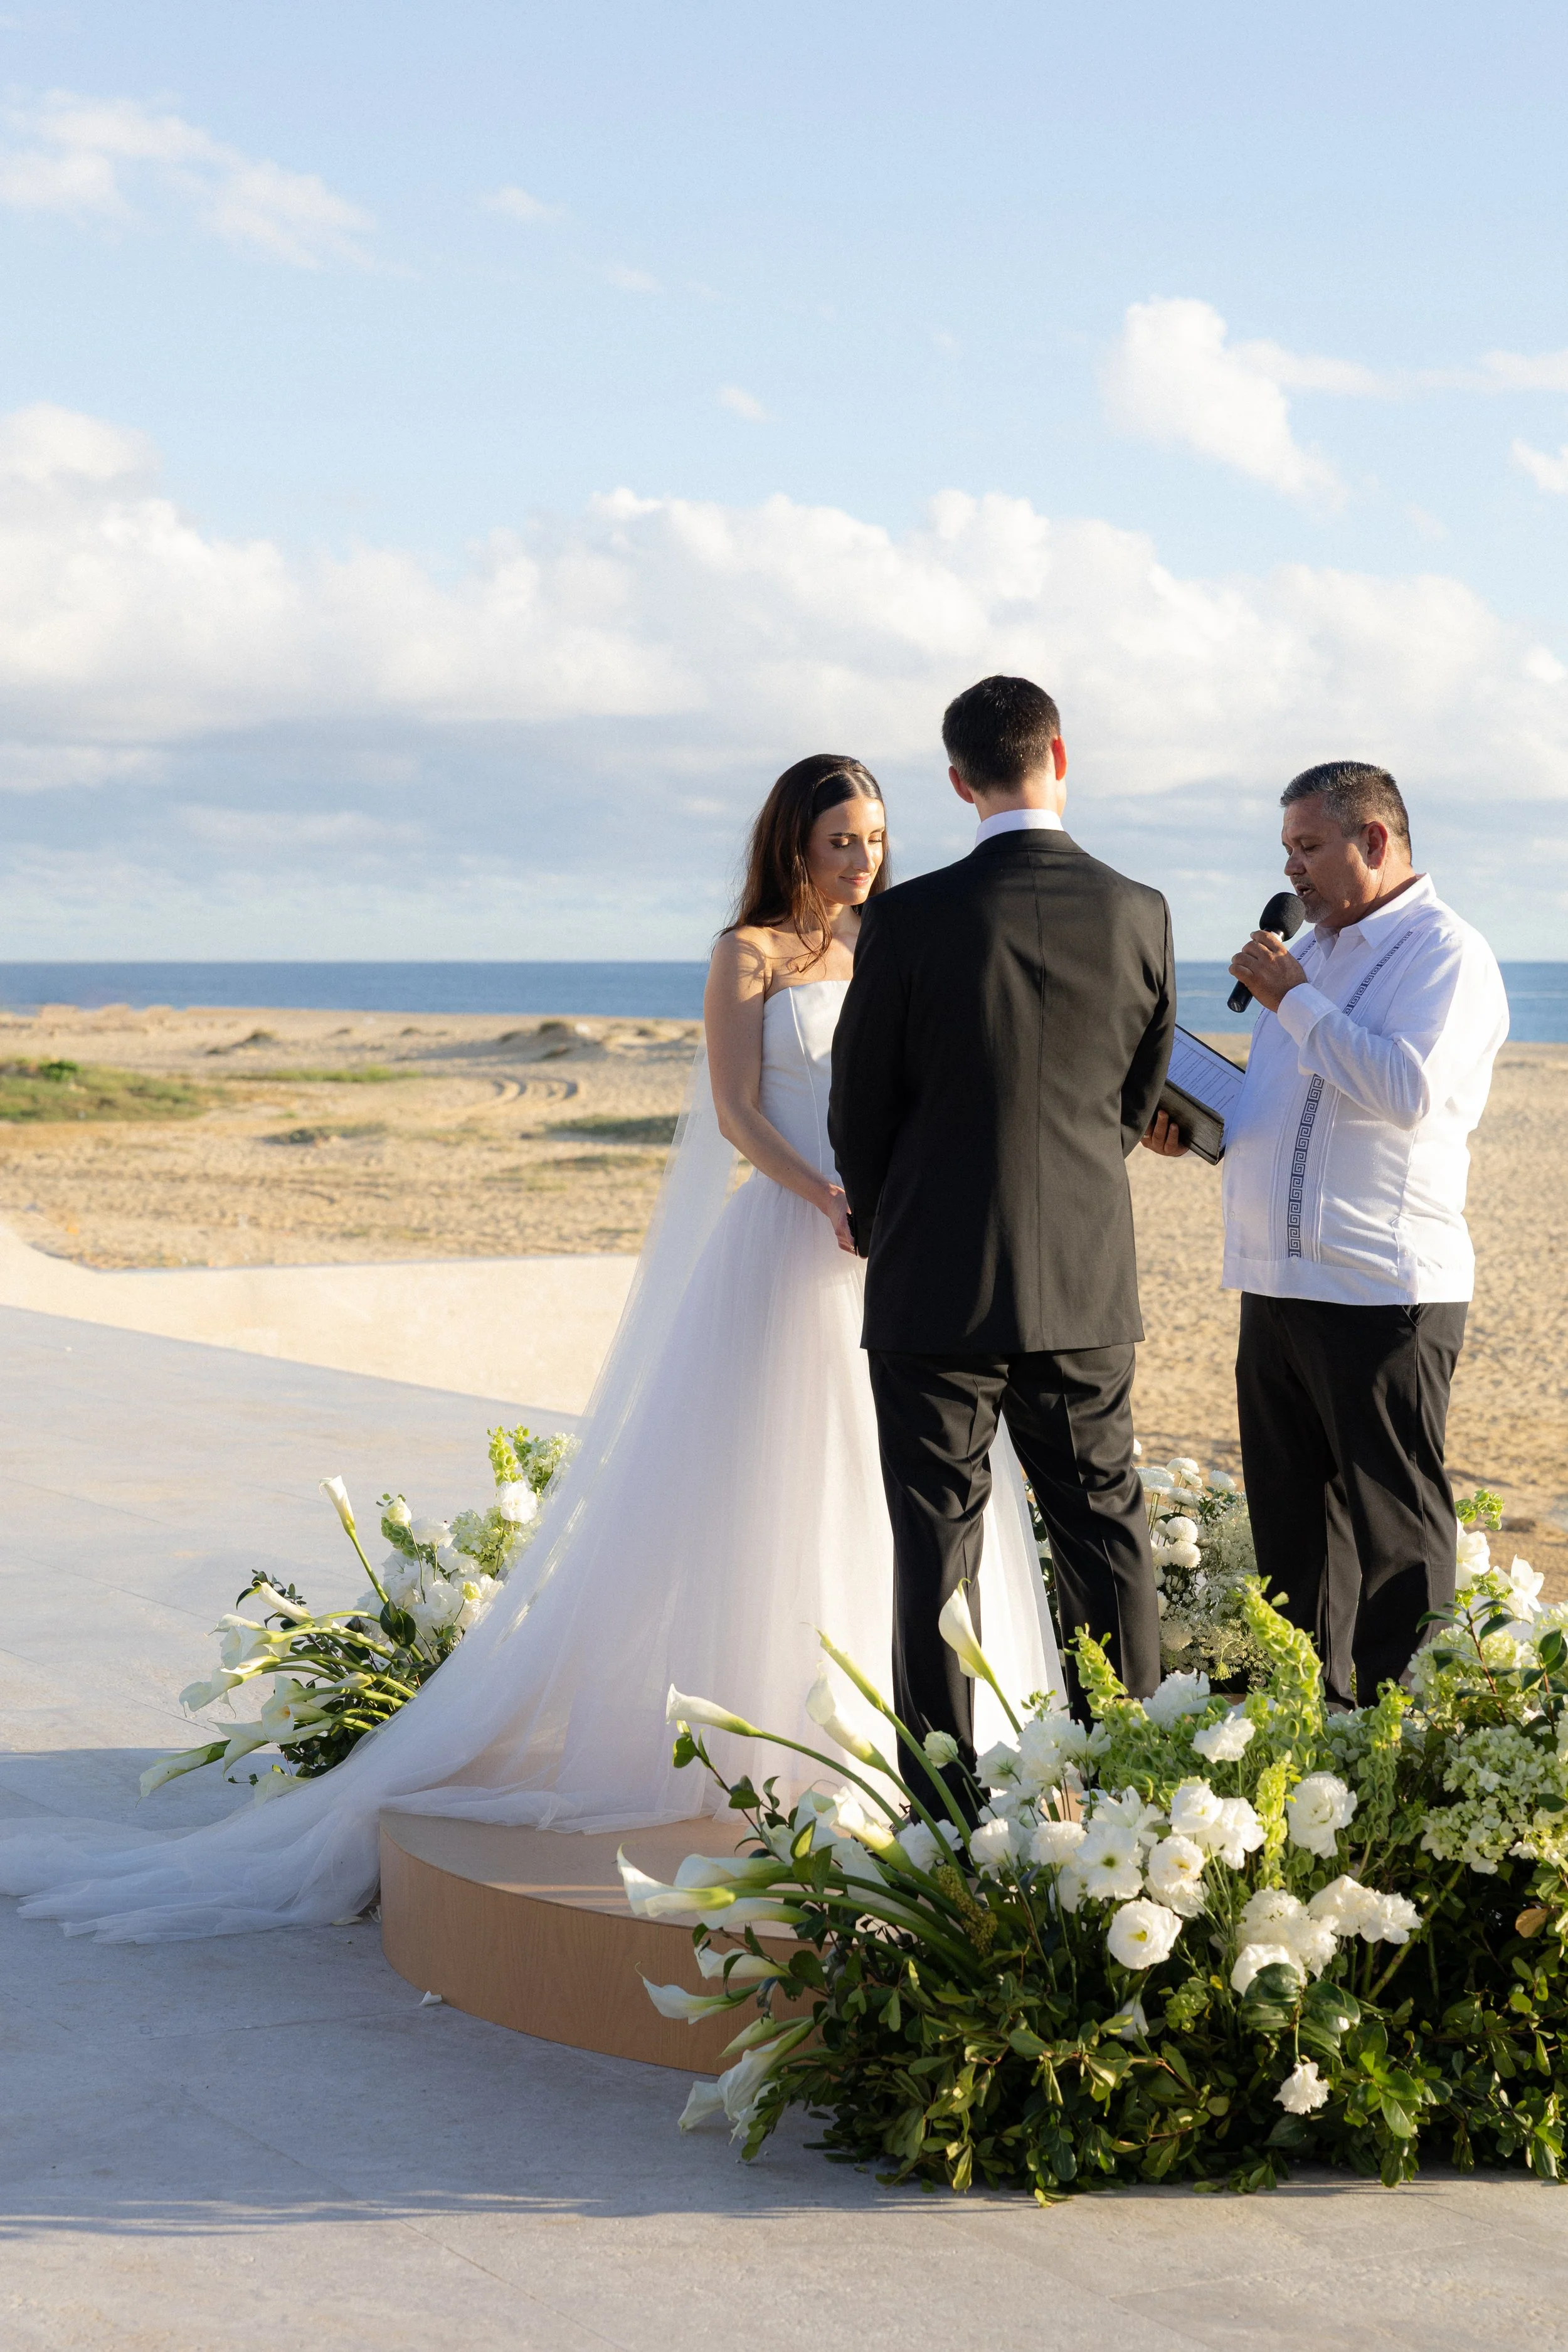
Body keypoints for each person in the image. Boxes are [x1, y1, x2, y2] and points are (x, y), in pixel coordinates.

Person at [3, 755, 1061, 1941]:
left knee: (892, 1486)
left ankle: (882, 1728)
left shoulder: (895, 939)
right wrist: (823, 1194)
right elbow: (736, 1112)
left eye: (873, 837)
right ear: (793, 847)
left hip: (895, 1245)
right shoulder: (748, 953)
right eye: (839, 842)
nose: (862, 859)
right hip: (792, 1234)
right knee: (775, 1481)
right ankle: (768, 1726)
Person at [829, 675, 1175, 1776]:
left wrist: (896, 1221)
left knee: (938, 1542)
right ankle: (1127, 1776)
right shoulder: (1141, 911)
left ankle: (944, 1807)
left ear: (956, 780)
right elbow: (1133, 1098)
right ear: (1059, 758)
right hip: (1081, 1276)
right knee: (1103, 1525)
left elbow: (858, 1108)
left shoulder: (907, 917)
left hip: (933, 1276)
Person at [1144, 761, 1508, 1708]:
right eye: (1288, 851)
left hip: (1381, 1289)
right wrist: (1193, 1124)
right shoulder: (1316, 952)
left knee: (1394, 1537)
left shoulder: (1446, 952)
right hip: (1276, 1284)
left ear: (1375, 841)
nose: (1294, 870)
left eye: (1310, 847)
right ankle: (1312, 1736)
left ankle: (1409, 1737)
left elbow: (1405, 1090)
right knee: (1293, 1546)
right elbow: (1295, 1113)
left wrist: (1293, 998)